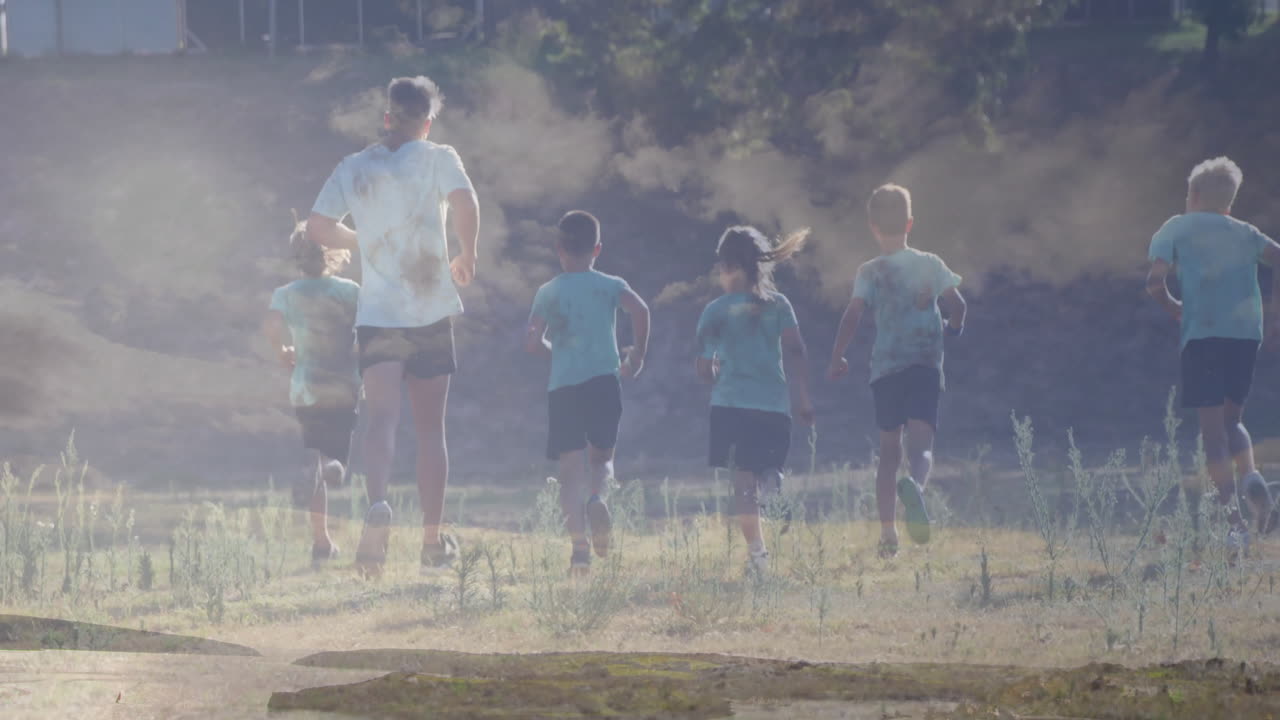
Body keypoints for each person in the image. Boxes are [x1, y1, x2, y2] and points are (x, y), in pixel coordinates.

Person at [307, 76, 480, 577]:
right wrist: (468, 255)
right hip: (429, 311)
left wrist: (363, 240)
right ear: (427, 122)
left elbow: (318, 227)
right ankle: (431, 540)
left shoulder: (354, 166)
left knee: (381, 420)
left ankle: (378, 503)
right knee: (431, 431)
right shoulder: (439, 155)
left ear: (387, 117)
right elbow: (465, 203)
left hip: (378, 316)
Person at [1146, 156, 1278, 554]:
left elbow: (1155, 282)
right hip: (1244, 337)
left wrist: (1174, 307)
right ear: (1230, 202)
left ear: (1193, 195)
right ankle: (1252, 475)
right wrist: (1273, 316)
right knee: (1233, 418)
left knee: (1211, 432)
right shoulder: (1245, 231)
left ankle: (1234, 522)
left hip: (1203, 337)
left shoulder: (1176, 227)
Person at [827, 184, 966, 559]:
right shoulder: (930, 264)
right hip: (923, 365)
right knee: (920, 446)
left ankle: (888, 535)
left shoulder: (870, 271)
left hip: (886, 369)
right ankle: (916, 487)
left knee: (888, 452)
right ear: (909, 223)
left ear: (873, 227)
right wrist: (953, 329)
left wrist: (838, 354)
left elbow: (853, 313)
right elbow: (958, 305)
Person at [524, 211, 650, 575]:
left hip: (564, 387)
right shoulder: (610, 285)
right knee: (602, 459)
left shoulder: (547, 292)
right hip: (603, 381)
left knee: (568, 469)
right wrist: (637, 353)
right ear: (597, 248)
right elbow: (640, 310)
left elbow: (531, 342)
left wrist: (555, 351)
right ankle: (598, 497)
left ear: (558, 248)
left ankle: (579, 551)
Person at [695, 225, 815, 575]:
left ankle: (759, 559)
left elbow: (704, 370)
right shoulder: (778, 304)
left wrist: (714, 371)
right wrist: (804, 397)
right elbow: (797, 350)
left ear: (728, 267)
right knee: (766, 469)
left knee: (742, 485)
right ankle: (773, 482)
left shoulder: (715, 311)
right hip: (774, 409)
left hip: (731, 407)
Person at [263, 216, 359, 569]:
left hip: (304, 387)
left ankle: (322, 544)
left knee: (315, 458)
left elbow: (272, 324)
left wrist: (281, 351)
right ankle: (333, 464)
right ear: (334, 254)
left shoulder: (286, 294)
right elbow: (368, 328)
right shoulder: (350, 291)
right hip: (343, 385)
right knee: (335, 455)